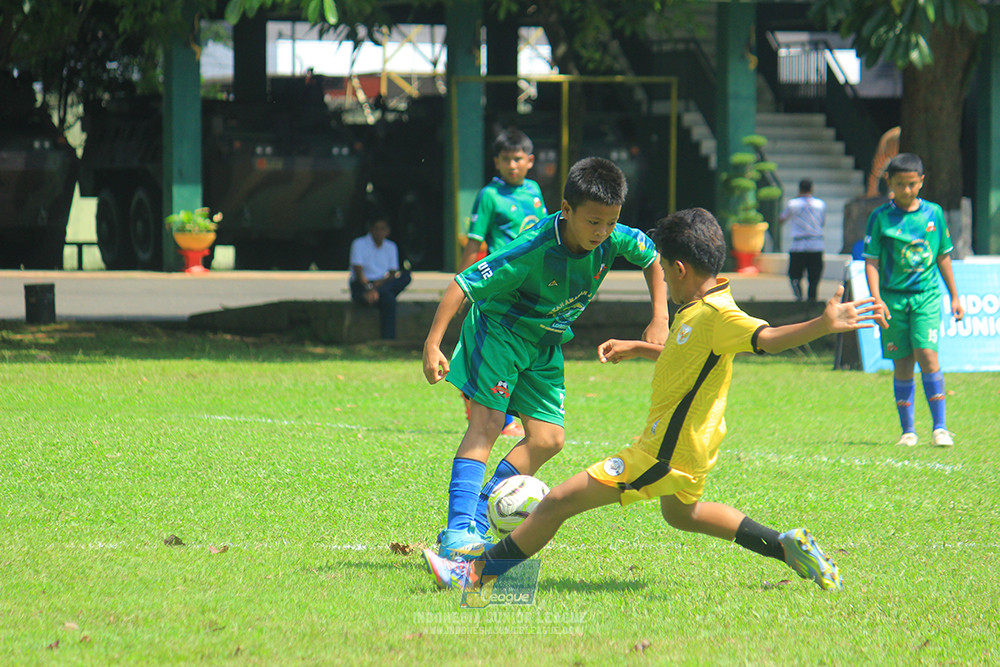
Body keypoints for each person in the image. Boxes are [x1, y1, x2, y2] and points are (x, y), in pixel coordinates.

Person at [423, 207, 885, 593]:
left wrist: (820, 326)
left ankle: (473, 575)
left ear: (680, 269)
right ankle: (783, 545)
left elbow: (766, 338)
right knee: (685, 514)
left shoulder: (720, 316)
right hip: (692, 452)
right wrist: (639, 346)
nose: (659, 274)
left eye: (663, 268)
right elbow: (685, 353)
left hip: (661, 453)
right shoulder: (701, 309)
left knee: (557, 501)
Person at [423, 157, 669, 559]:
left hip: (546, 342)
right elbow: (462, 286)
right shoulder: (533, 249)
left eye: (610, 222)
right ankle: (457, 531)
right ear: (567, 210)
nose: (602, 232)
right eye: (593, 222)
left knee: (548, 439)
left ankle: (481, 520)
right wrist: (434, 344)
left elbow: (653, 257)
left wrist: (660, 315)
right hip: (501, 332)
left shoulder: (613, 236)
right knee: (485, 424)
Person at [863, 153, 965, 447]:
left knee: (927, 354)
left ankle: (940, 428)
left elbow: (943, 255)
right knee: (902, 362)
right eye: (900, 185)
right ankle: (908, 432)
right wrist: (876, 299)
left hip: (926, 297)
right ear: (889, 182)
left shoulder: (933, 213)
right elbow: (871, 261)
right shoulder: (880, 217)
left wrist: (955, 297)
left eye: (911, 184)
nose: (906, 191)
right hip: (893, 301)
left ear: (921, 181)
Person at [458, 128, 549, 438]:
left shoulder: (534, 192)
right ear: (496, 161)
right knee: (493, 347)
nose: (512, 165)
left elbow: (545, 237)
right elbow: (473, 244)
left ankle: (514, 411)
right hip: (498, 284)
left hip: (529, 285)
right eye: (506, 159)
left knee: (522, 348)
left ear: (530, 161)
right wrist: (463, 287)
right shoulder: (489, 196)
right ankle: (495, 412)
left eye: (518, 159)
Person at [348, 216, 411, 340]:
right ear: (371, 230)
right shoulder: (359, 244)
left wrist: (377, 288)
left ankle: (388, 340)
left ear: (388, 231)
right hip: (363, 284)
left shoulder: (391, 246)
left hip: (382, 284)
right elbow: (358, 270)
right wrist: (369, 287)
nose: (379, 232)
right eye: (376, 229)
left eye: (383, 229)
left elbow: (392, 273)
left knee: (406, 277)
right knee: (389, 298)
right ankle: (389, 339)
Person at [779, 179, 826, 302]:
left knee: (794, 275)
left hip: (798, 245)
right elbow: (822, 222)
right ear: (812, 189)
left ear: (799, 189)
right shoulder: (820, 204)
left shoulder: (793, 203)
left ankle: (799, 298)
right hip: (816, 244)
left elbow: (782, 219)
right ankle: (812, 299)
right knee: (814, 277)